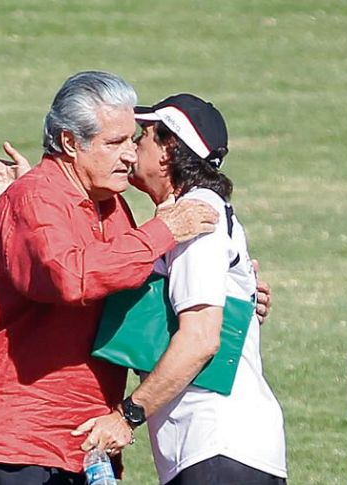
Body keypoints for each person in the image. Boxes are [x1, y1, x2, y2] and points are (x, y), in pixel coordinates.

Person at [0, 71, 221, 485]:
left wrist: (227, 292)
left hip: (78, 442)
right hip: (11, 439)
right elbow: (68, 276)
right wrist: (163, 230)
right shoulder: (36, 197)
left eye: (133, 140)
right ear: (71, 142)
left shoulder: (111, 206)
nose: (129, 155)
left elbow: (129, 284)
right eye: (114, 143)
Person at [73, 93, 287, 484]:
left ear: (169, 149)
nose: (132, 148)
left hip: (219, 447)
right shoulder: (186, 215)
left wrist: (127, 416)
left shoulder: (197, 218)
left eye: (142, 136)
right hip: (215, 449)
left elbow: (201, 339)